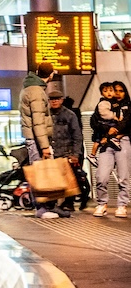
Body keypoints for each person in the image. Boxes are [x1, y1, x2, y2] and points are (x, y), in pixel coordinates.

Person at [20, 62, 59, 218]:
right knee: (40, 173)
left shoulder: (30, 88)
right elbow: (38, 122)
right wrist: (44, 146)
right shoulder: (36, 92)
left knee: (43, 172)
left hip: (36, 138)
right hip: (37, 139)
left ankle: (49, 206)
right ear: (50, 75)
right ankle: (42, 208)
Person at [89, 80, 129, 218]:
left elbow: (127, 123)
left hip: (123, 141)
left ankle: (122, 204)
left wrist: (116, 131)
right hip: (106, 143)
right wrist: (107, 130)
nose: (116, 94)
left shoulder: (127, 106)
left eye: (120, 91)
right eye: (114, 90)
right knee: (101, 175)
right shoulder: (103, 104)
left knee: (123, 176)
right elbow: (94, 122)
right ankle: (102, 203)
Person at [47, 84, 85, 215]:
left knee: (69, 181)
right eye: (52, 99)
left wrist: (75, 154)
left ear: (62, 100)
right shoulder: (45, 115)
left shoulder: (70, 115)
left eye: (57, 99)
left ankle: (69, 204)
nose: (55, 101)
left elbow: (77, 136)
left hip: (67, 153)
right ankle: (53, 204)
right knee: (52, 181)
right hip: (51, 154)